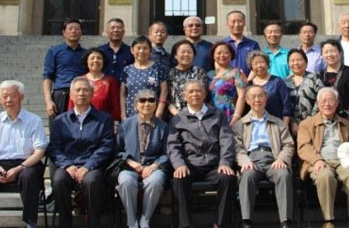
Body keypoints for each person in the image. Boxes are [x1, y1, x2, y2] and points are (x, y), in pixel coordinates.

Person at [0, 81, 47, 228]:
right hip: (1, 165)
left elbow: (40, 150)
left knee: (29, 177)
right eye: (5, 96)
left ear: (21, 97)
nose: (8, 100)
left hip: (28, 164)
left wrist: (20, 168)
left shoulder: (34, 120)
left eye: (13, 96)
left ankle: (31, 223)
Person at [168, 80, 237, 228]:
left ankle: (221, 223)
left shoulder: (218, 115)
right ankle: (185, 225)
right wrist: (179, 165)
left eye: (198, 91)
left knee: (228, 178)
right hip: (190, 165)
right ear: (184, 96)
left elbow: (226, 140)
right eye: (191, 92)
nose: (195, 94)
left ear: (205, 94)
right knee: (178, 179)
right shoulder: (178, 119)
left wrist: (225, 163)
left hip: (214, 164)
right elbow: (173, 146)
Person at [48, 77, 114, 228]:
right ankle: (65, 223)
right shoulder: (60, 120)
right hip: (68, 165)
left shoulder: (104, 119)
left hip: (93, 166)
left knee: (92, 181)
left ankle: (93, 222)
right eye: (77, 90)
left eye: (85, 90)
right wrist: (67, 165)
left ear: (92, 94)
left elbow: (106, 147)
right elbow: (54, 147)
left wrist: (88, 166)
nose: (81, 94)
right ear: (71, 95)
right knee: (59, 180)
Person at [297, 88, 349, 228]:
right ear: (318, 103)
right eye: (323, 101)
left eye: (331, 100)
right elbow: (304, 146)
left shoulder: (346, 123)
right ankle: (328, 221)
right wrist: (317, 160)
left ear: (337, 103)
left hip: (343, 162)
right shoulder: (306, 124)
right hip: (319, 162)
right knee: (325, 176)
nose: (327, 104)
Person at [233, 85, 295, 228]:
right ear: (247, 101)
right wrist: (245, 161)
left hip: (273, 158)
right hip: (251, 160)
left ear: (266, 99)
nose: (257, 100)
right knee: (247, 176)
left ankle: (286, 221)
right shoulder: (239, 125)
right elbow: (236, 147)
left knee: (283, 175)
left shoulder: (278, 122)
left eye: (260, 96)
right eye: (253, 97)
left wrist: (281, 159)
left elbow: (288, 144)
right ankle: (246, 221)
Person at [116, 89, 170, 228]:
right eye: (142, 100)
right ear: (136, 104)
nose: (147, 103)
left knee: (156, 181)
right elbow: (117, 150)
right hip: (129, 167)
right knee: (125, 181)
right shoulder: (126, 124)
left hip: (153, 167)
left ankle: (145, 219)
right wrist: (130, 162)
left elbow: (167, 152)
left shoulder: (163, 126)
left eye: (151, 100)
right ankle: (132, 221)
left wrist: (154, 166)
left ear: (156, 104)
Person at [42, 19, 87, 122]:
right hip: (61, 94)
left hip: (81, 94)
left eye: (77, 29)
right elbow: (47, 77)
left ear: (81, 32)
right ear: (64, 32)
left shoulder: (86, 53)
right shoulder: (54, 51)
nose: (74, 31)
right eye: (70, 29)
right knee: (58, 126)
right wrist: (48, 101)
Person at [120, 36, 169, 119]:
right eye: (138, 48)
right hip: (131, 115)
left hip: (153, 115)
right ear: (132, 50)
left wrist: (159, 112)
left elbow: (164, 91)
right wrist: (123, 115)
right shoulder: (127, 70)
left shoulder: (158, 68)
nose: (141, 51)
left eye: (145, 48)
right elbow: (123, 94)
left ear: (150, 51)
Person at [67, 48, 121, 122]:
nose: (95, 61)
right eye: (92, 58)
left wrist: (114, 121)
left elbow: (116, 107)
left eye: (99, 58)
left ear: (103, 62)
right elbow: (71, 104)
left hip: (103, 123)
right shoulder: (79, 81)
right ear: (87, 61)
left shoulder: (110, 82)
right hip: (80, 122)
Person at [319, 39, 349, 119]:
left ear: (340, 53)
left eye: (333, 51)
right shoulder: (320, 75)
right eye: (326, 52)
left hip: (348, 117)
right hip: (326, 118)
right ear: (322, 55)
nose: (330, 54)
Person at [284, 49, 323, 136]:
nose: (296, 63)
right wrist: (292, 123)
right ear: (288, 64)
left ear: (306, 62)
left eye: (299, 60)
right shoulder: (285, 82)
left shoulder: (315, 78)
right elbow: (284, 104)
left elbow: (321, 98)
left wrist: (310, 120)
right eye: (292, 60)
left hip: (313, 124)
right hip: (292, 127)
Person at [247, 50, 292, 125]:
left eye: (262, 62)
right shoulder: (249, 84)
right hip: (255, 125)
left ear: (267, 64)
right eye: (255, 63)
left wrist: (285, 125)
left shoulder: (277, 81)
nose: (259, 66)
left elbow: (286, 105)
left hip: (277, 125)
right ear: (251, 67)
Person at [208, 41, 247, 125]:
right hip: (210, 115)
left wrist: (236, 116)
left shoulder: (236, 73)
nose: (222, 55)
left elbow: (242, 96)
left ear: (231, 55)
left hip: (229, 114)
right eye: (218, 53)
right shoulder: (209, 75)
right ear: (213, 55)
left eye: (225, 52)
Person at [167, 39, 208, 117]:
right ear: (175, 55)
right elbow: (167, 97)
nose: (186, 54)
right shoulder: (170, 73)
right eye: (183, 52)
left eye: (189, 52)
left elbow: (204, 95)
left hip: (197, 114)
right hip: (175, 116)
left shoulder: (200, 72)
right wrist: (176, 113)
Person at [223, 10, 261, 76]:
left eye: (240, 21)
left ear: (244, 23)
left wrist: (248, 80)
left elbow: (257, 64)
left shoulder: (253, 44)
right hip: (226, 81)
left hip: (248, 81)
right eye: (233, 21)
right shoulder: (222, 44)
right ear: (227, 23)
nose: (236, 25)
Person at [98, 18, 134, 82]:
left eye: (119, 28)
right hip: (104, 86)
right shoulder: (99, 51)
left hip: (124, 86)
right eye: (112, 28)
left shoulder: (131, 51)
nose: (116, 30)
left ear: (123, 32)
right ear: (107, 31)